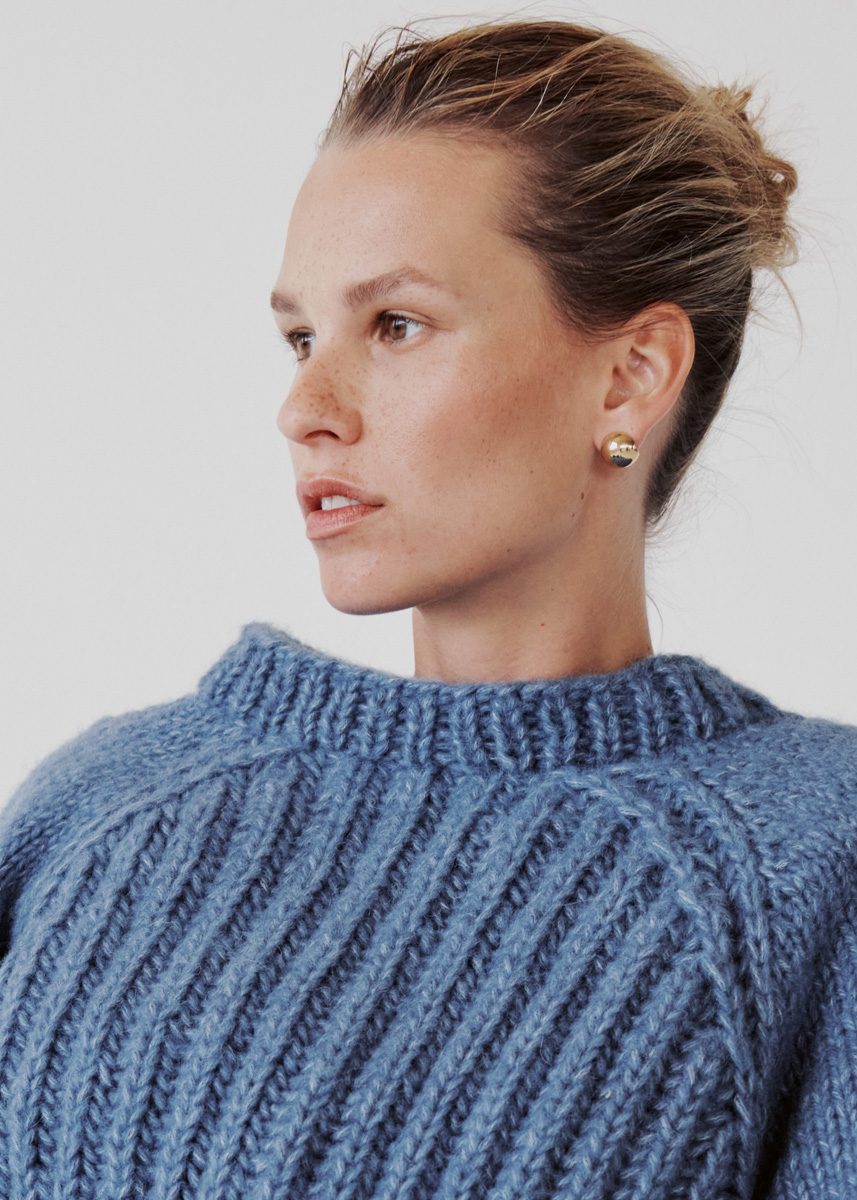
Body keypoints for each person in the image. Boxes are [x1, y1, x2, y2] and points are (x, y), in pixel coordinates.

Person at [0, 16, 855, 1199]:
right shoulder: (98, 810)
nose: (305, 406)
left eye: (395, 325)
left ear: (629, 377)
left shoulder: (804, 860)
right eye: (300, 335)